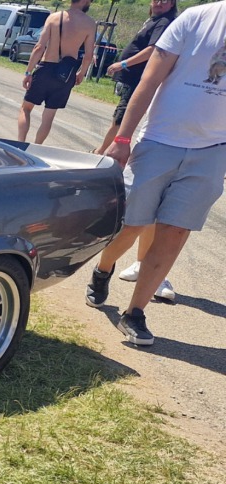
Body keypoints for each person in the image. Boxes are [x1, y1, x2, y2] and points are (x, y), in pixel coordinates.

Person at [85, 0, 226, 346]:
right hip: (160, 140)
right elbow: (148, 82)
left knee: (175, 231)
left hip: (212, 150)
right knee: (133, 224)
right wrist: (122, 139)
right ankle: (103, 268)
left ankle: (134, 312)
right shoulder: (196, 19)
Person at [96, 0, 178, 154]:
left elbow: (153, 50)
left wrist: (123, 64)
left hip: (139, 78)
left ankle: (102, 153)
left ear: (172, 4)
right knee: (121, 115)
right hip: (133, 77)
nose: (159, 3)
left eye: (165, 0)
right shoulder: (154, 20)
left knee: (121, 117)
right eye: (156, 0)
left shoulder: (163, 22)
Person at [16, 0, 95, 145]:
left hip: (46, 68)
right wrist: (81, 73)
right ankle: (37, 147)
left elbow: (39, 47)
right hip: (66, 74)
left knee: (25, 108)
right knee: (49, 116)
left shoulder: (54, 17)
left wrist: (28, 72)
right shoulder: (90, 24)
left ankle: (20, 144)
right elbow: (88, 56)